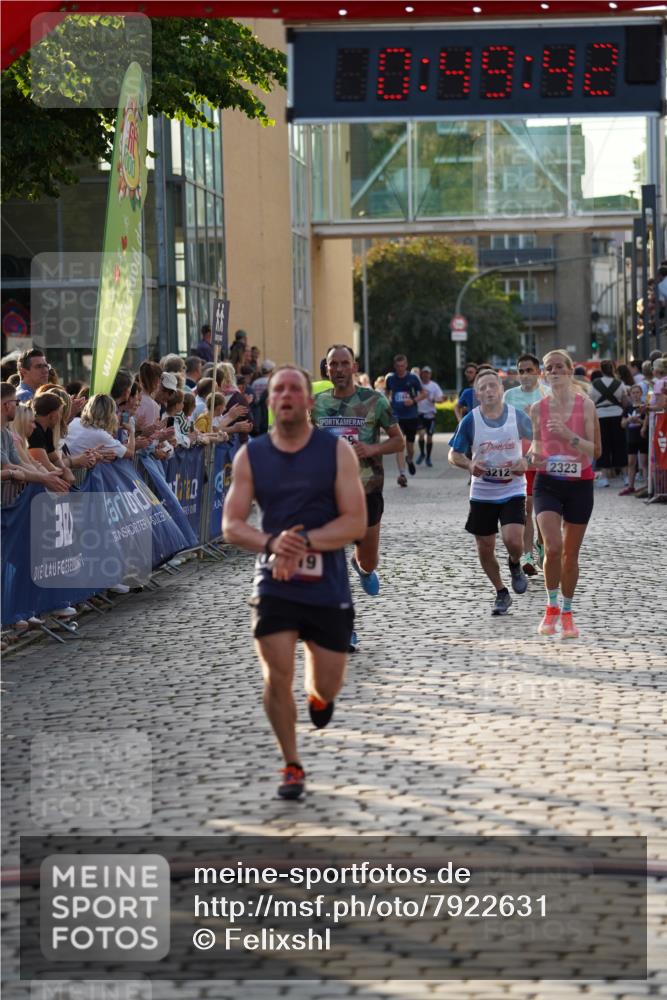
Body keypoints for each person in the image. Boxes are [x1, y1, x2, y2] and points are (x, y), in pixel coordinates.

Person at [223, 364, 366, 800]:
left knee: (326, 684)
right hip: (274, 582)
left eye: (294, 389)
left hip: (326, 585)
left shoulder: (337, 453)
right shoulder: (251, 455)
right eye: (277, 389)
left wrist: (301, 542)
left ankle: (320, 700)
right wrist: (272, 544)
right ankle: (291, 763)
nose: (285, 395)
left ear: (308, 401)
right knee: (276, 674)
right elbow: (231, 524)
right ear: (271, 402)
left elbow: (355, 523)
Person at [312, 344, 403, 651]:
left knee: (368, 558)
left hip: (367, 490)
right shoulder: (316, 404)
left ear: (354, 366)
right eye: (332, 364)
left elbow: (398, 440)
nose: (338, 369)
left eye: (344, 363)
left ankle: (362, 566)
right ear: (326, 369)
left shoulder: (374, 401)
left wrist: (372, 449)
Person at [529, 350, 601, 639]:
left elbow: (595, 451)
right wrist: (534, 455)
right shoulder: (537, 409)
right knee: (553, 547)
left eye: (560, 366)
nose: (555, 371)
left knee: (571, 555)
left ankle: (568, 612)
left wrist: (566, 436)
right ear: (544, 374)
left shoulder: (586, 407)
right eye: (549, 367)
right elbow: (535, 445)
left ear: (570, 371)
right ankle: (551, 606)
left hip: (579, 484)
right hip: (547, 483)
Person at [448, 369, 531, 616]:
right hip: (483, 492)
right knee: (485, 547)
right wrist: (469, 464)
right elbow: (454, 454)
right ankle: (501, 592)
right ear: (477, 394)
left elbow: (540, 441)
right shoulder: (470, 421)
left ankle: (515, 563)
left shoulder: (517, 417)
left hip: (513, 487)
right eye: (482, 388)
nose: (488, 391)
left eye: (492, 385)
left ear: (501, 390)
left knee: (513, 540)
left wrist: (526, 460)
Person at [503, 353, 549, 575]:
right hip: (520, 461)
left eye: (529, 370)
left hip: (545, 460)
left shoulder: (548, 394)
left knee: (543, 510)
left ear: (538, 372)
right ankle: (528, 554)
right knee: (526, 508)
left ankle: (541, 544)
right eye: (521, 371)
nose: (525, 375)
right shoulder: (509, 396)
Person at [0, 383, 69, 494]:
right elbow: (9, 467)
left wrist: (45, 477)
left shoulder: (6, 434)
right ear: (7, 405)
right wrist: (44, 478)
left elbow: (19, 464)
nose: (17, 406)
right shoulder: (7, 434)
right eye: (16, 402)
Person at [385, 354, 426, 485]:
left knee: (410, 446)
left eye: (403, 366)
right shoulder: (391, 379)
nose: (400, 368)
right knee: (399, 444)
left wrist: (413, 400)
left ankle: (409, 460)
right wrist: (388, 402)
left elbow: (424, 393)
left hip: (411, 416)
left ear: (406, 365)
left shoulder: (413, 378)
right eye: (398, 366)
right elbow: (386, 392)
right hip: (397, 416)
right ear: (395, 366)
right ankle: (402, 474)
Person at [589, 360, 628, 488]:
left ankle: (605, 478)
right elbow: (625, 401)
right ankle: (625, 476)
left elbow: (591, 401)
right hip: (617, 415)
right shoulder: (619, 383)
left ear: (601, 370)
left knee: (604, 445)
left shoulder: (595, 384)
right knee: (619, 445)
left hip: (601, 417)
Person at [619, 383, 648, 495]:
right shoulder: (628, 408)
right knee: (631, 462)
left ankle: (647, 485)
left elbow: (648, 422)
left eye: (637, 393)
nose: (635, 395)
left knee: (643, 462)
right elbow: (622, 424)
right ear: (630, 395)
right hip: (631, 438)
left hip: (642, 438)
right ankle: (631, 486)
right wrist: (629, 420)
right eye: (633, 393)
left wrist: (639, 421)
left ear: (641, 393)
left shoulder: (645, 407)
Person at [416, 366, 444, 467]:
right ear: (421, 374)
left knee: (429, 438)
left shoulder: (434, 386)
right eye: (424, 373)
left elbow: (441, 399)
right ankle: (422, 453)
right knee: (421, 434)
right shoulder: (418, 385)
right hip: (420, 414)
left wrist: (434, 400)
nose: (426, 375)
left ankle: (428, 457)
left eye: (427, 373)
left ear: (430, 374)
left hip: (430, 415)